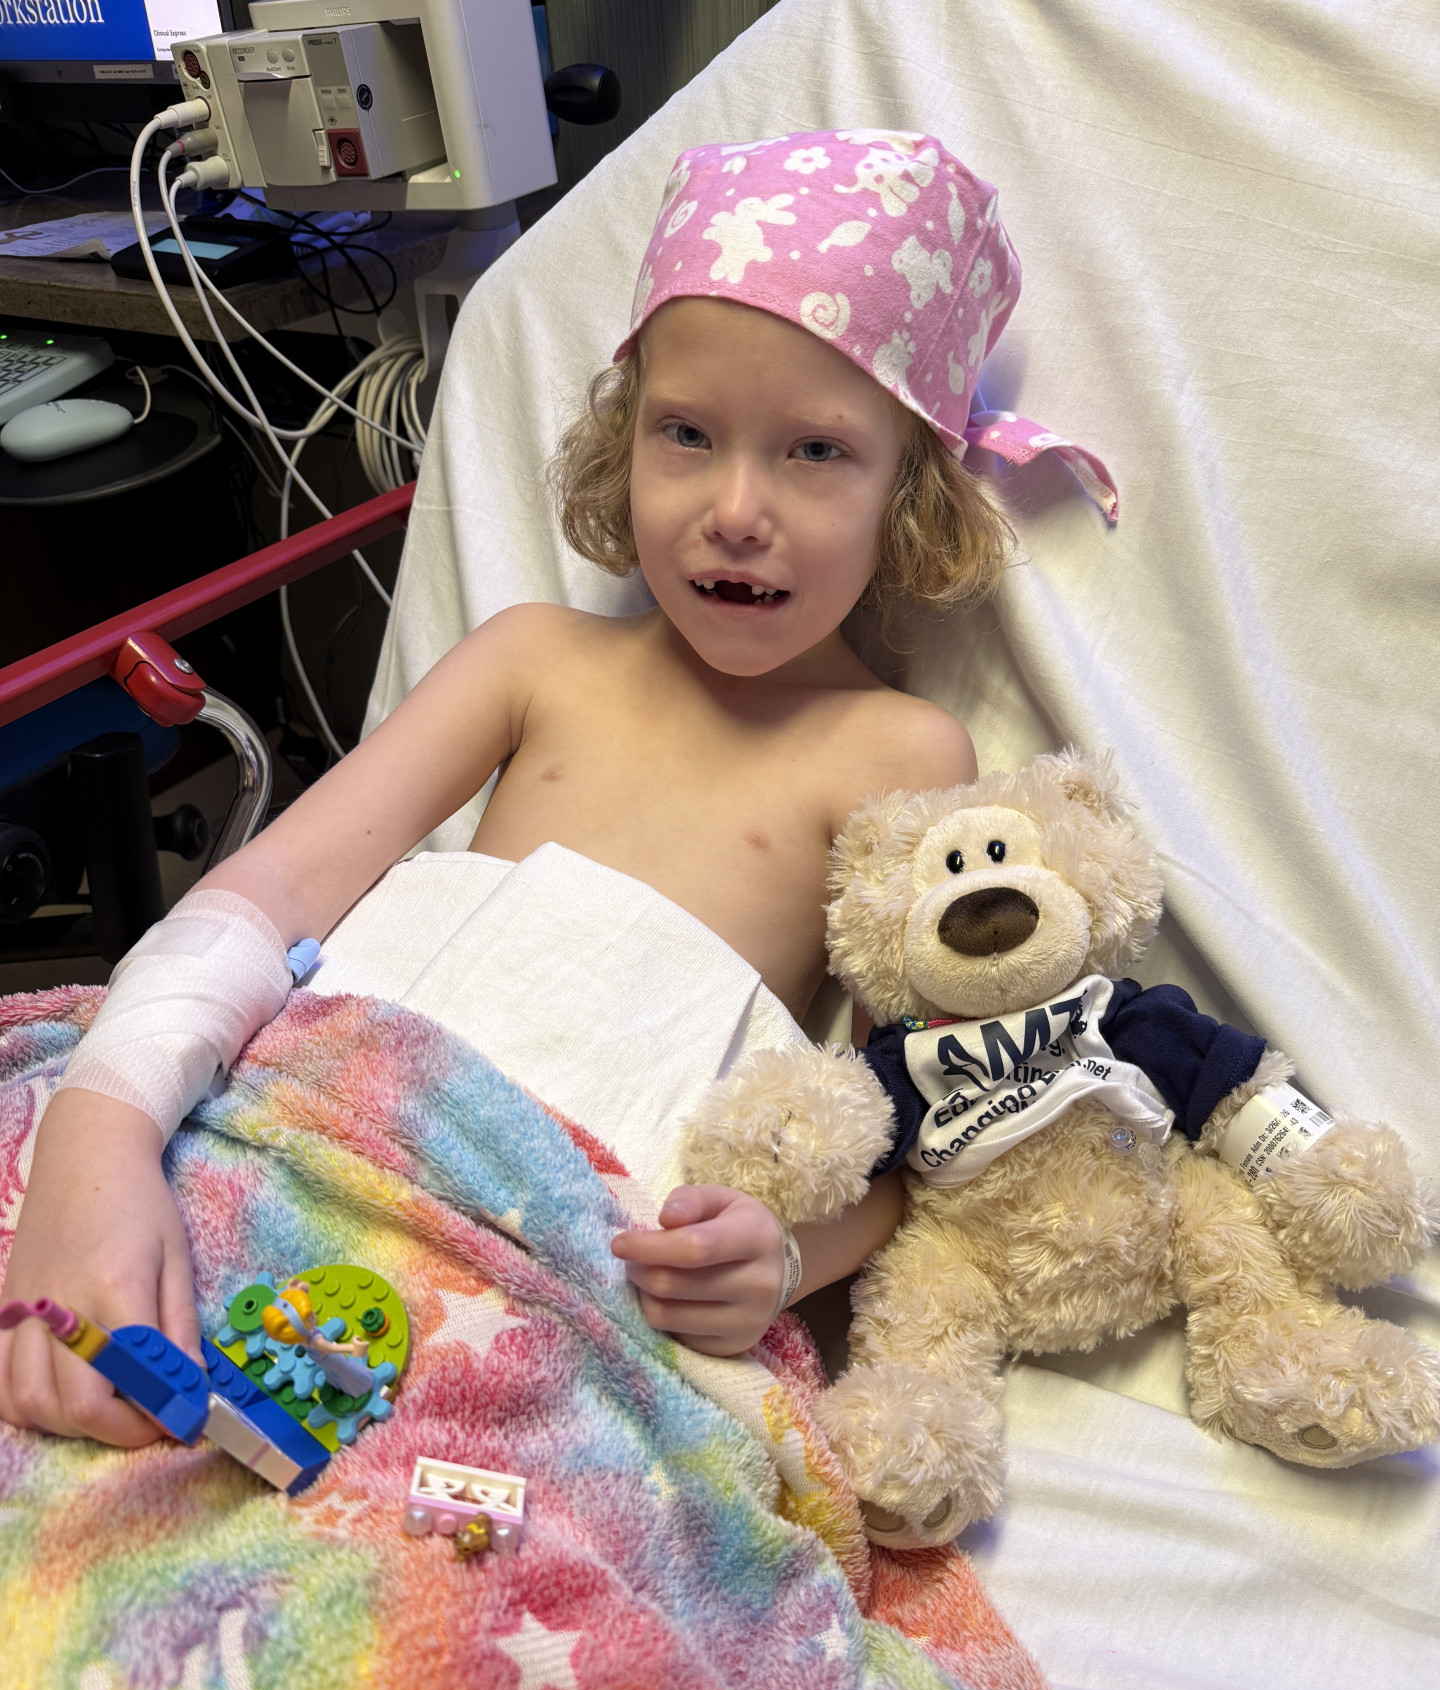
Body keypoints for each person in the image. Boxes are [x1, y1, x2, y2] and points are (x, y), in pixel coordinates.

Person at [0, 129, 1115, 1446]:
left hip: (560, 1252)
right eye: (685, 433)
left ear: (910, 494)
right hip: (312, 1116)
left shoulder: (901, 754)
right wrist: (102, 1130)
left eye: (815, 451)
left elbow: (908, 1118)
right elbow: (276, 887)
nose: (734, 508)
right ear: (621, 440)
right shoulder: (533, 659)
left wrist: (782, 1257)